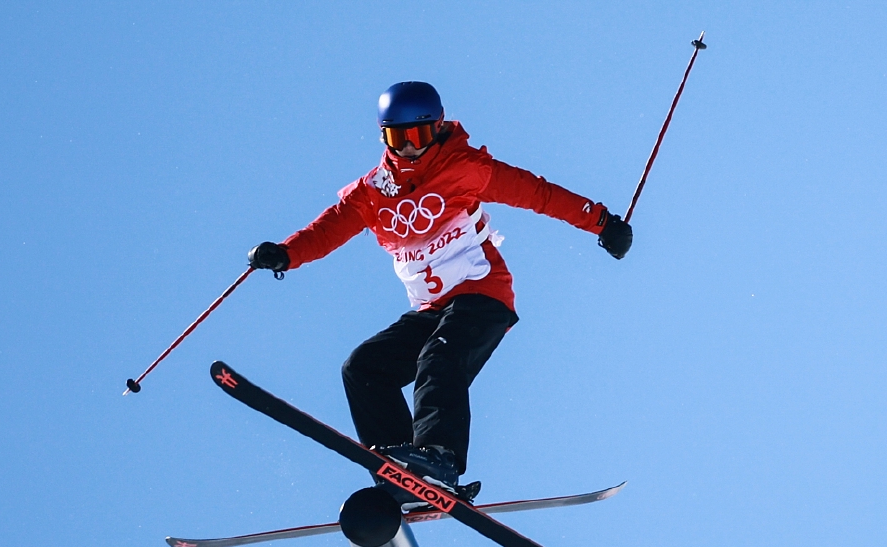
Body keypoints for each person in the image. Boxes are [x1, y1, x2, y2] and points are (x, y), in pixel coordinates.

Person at [248, 81, 631, 507]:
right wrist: (286, 253)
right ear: (384, 137)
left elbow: (538, 193)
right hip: (432, 308)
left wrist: (601, 222)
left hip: (483, 295)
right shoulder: (371, 193)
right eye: (399, 138)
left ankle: (439, 459)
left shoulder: (464, 167)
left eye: (420, 136)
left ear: (438, 128)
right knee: (363, 367)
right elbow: (330, 227)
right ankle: (401, 473)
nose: (410, 149)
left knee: (439, 357)